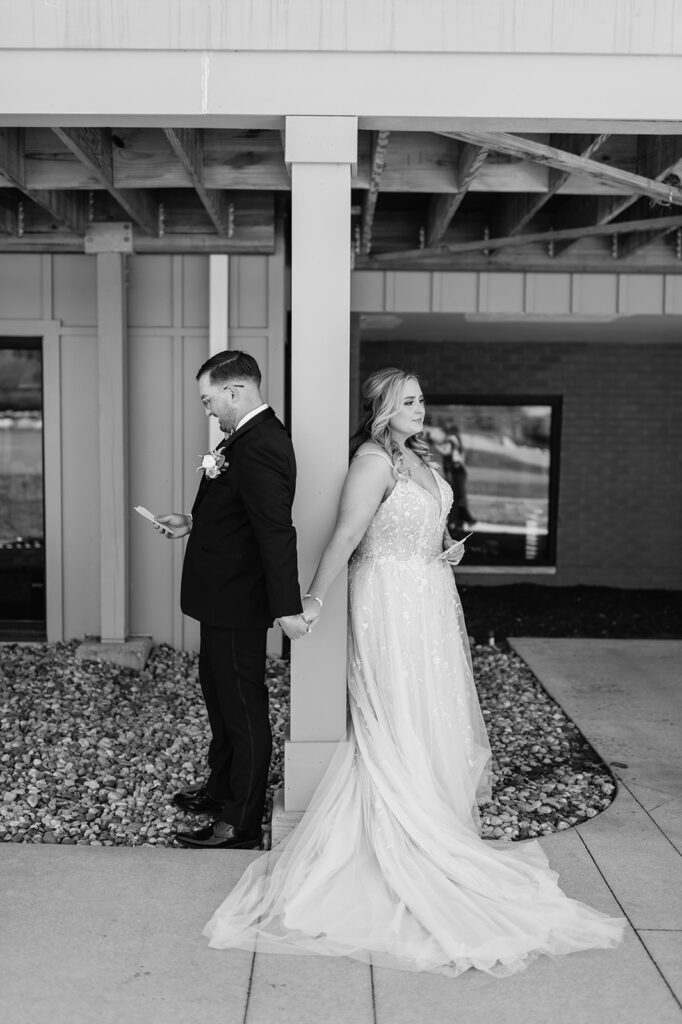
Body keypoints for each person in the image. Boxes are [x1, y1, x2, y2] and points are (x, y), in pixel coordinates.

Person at [201, 367, 626, 975]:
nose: (420, 408)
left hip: (428, 597)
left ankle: (435, 812)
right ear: (381, 408)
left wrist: (445, 546)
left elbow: (427, 526)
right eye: (407, 401)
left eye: (422, 399)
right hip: (388, 603)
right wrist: (313, 601)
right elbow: (346, 537)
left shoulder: (418, 458)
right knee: (394, 712)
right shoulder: (374, 461)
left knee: (433, 707)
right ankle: (403, 828)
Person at [154, 350, 309, 851]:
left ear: (236, 391)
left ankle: (239, 821)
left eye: (209, 399)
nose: (207, 410)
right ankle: (221, 790)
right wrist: (192, 523)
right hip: (218, 598)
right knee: (219, 700)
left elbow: (274, 529)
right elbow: (238, 515)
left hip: (240, 602)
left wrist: (286, 606)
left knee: (242, 708)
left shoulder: (263, 443)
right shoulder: (241, 440)